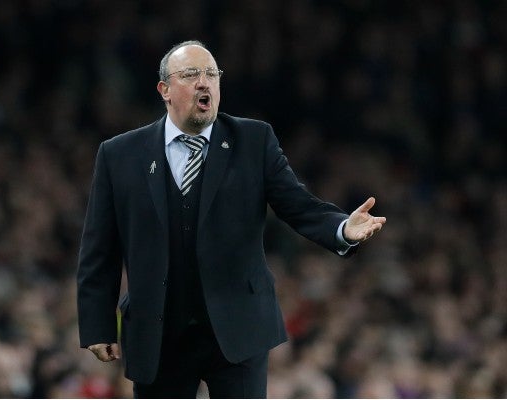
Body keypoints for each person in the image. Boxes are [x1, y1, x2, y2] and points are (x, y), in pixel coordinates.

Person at [77, 40, 386, 398]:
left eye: (212, 74)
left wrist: (341, 228)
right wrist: (98, 324)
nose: (204, 82)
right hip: (157, 331)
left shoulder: (253, 140)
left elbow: (297, 204)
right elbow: (100, 245)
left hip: (238, 326)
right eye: (191, 74)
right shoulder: (119, 154)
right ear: (164, 89)